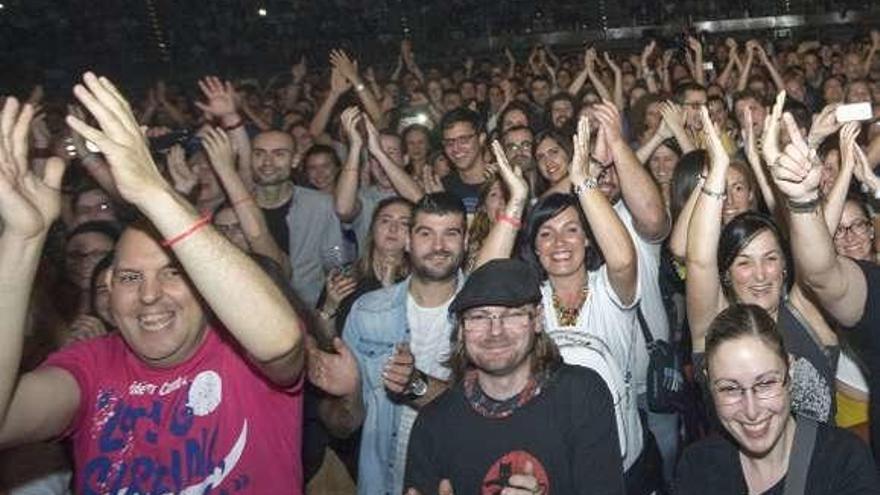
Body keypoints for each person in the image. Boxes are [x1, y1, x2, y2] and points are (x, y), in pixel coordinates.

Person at [0, 75, 306, 493]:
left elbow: (283, 343)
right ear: (106, 288)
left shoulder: (240, 348)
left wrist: (153, 190)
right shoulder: (91, 366)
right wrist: (22, 240)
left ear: (204, 283)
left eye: (173, 272)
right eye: (130, 277)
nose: (148, 295)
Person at [404, 258, 625, 495]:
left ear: (537, 320)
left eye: (512, 315)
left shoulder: (581, 396)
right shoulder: (433, 424)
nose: (496, 331)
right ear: (460, 330)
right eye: (479, 317)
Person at [686, 100, 838, 424]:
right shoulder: (714, 327)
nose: (759, 274)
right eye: (743, 263)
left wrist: (781, 166)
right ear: (725, 275)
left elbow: (812, 236)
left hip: (824, 473)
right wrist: (718, 170)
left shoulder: (806, 310)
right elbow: (699, 261)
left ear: (786, 265)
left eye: (770, 259)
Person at [308, 192, 468, 495]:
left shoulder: (484, 312)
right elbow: (346, 425)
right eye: (425, 233)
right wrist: (345, 396)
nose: (438, 246)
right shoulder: (368, 311)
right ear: (407, 242)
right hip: (383, 480)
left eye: (451, 234)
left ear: (466, 242)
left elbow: (487, 413)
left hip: (457, 478)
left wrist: (415, 385)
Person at [765, 85, 880, 464]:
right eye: (839, 231)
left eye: (860, 227)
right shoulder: (869, 290)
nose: (851, 238)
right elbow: (821, 272)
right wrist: (801, 200)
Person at [675, 304, 879, 494]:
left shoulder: (843, 462)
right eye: (730, 388)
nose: (751, 411)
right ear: (708, 382)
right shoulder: (697, 466)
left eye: (765, 384)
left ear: (790, 370)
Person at [439, 108, 490, 213]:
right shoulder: (443, 187)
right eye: (449, 142)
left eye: (463, 140)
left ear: (481, 139)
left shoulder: (502, 184)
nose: (456, 148)